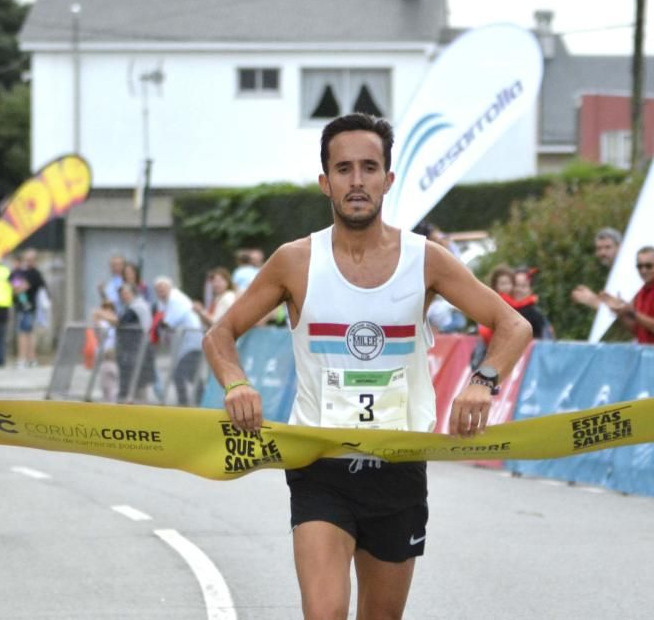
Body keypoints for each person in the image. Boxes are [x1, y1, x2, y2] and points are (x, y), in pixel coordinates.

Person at [202, 113, 531, 619]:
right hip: (320, 466)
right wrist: (236, 382)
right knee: (326, 614)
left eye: (370, 168)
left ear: (388, 179)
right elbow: (220, 335)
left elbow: (514, 326)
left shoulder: (426, 259)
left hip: (397, 465)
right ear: (325, 182)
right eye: (344, 169)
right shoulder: (294, 261)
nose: (357, 181)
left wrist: (482, 383)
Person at [599, 246, 654, 346]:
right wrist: (619, 312)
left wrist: (631, 311)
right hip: (648, 353)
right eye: (639, 266)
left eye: (648, 266)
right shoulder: (642, 291)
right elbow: (637, 330)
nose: (643, 270)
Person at [153, 276, 205, 406]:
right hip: (184, 344)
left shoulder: (176, 299)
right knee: (191, 375)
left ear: (170, 287)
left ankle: (184, 403)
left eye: (163, 288)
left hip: (192, 342)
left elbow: (168, 323)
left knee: (179, 374)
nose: (160, 292)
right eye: (158, 289)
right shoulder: (165, 302)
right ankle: (202, 399)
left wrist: (156, 327)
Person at [570, 227, 622, 310]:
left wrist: (592, 300)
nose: (602, 253)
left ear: (620, 248)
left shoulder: (627, 273)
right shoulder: (613, 273)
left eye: (607, 247)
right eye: (599, 248)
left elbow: (622, 312)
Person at [11, 249, 47, 368]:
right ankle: (30, 359)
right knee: (27, 332)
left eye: (29, 260)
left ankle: (24, 359)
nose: (27, 262)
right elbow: (16, 286)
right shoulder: (21, 273)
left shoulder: (34, 273)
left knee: (24, 333)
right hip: (23, 306)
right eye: (25, 260)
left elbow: (21, 288)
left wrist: (18, 287)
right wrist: (17, 286)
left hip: (29, 308)